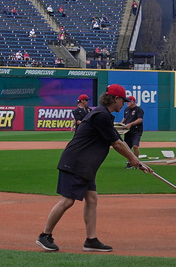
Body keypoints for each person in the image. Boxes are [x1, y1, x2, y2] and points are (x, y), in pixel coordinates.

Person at [36, 84, 149, 253]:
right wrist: (133, 159)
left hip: (85, 165)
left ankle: (91, 240)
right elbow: (116, 143)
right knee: (67, 200)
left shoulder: (104, 115)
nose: (123, 104)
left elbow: (120, 140)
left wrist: (138, 162)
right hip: (75, 162)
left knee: (92, 198)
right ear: (116, 99)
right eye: (122, 101)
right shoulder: (101, 115)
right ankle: (45, 235)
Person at [121, 94, 144, 166]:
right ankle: (129, 162)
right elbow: (125, 119)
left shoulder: (138, 109)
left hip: (136, 130)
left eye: (129, 101)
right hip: (127, 131)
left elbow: (140, 119)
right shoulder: (126, 110)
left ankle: (136, 162)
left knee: (135, 146)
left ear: (133, 102)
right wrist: (121, 124)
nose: (127, 103)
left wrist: (131, 124)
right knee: (127, 147)